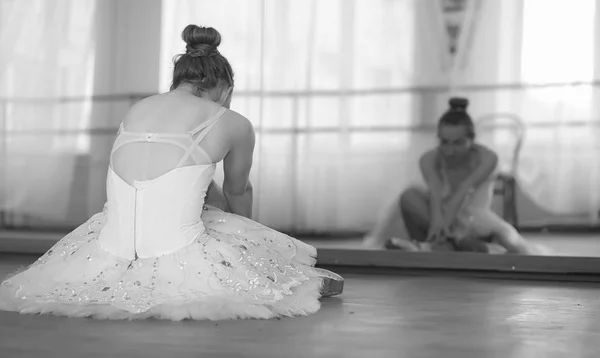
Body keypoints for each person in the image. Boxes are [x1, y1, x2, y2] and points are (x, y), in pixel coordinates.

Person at [0, 25, 343, 321]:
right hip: (179, 250)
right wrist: (253, 246)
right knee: (297, 272)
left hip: (110, 247)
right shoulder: (232, 122)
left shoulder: (139, 108)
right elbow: (239, 192)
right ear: (226, 88)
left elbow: (176, 179)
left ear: (179, 79)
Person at [363, 98, 544, 255]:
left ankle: (439, 246)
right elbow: (434, 191)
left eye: (458, 143)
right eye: (444, 142)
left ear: (472, 140)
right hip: (439, 212)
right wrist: (437, 222)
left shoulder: (487, 157)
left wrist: (446, 227)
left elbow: (464, 189)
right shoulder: (429, 158)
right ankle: (442, 245)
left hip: (474, 217)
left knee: (512, 241)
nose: (450, 151)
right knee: (408, 196)